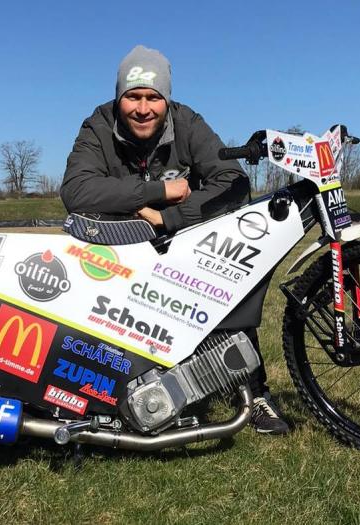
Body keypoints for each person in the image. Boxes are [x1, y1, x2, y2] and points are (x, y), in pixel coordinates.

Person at [60, 45, 289, 435]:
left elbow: (233, 183)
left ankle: (255, 392)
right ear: (119, 99)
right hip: (117, 242)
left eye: (153, 97)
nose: (143, 108)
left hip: (180, 237)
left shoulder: (188, 122)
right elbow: (77, 191)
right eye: (132, 97)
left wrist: (171, 217)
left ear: (166, 99)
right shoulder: (97, 125)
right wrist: (158, 193)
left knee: (228, 282)